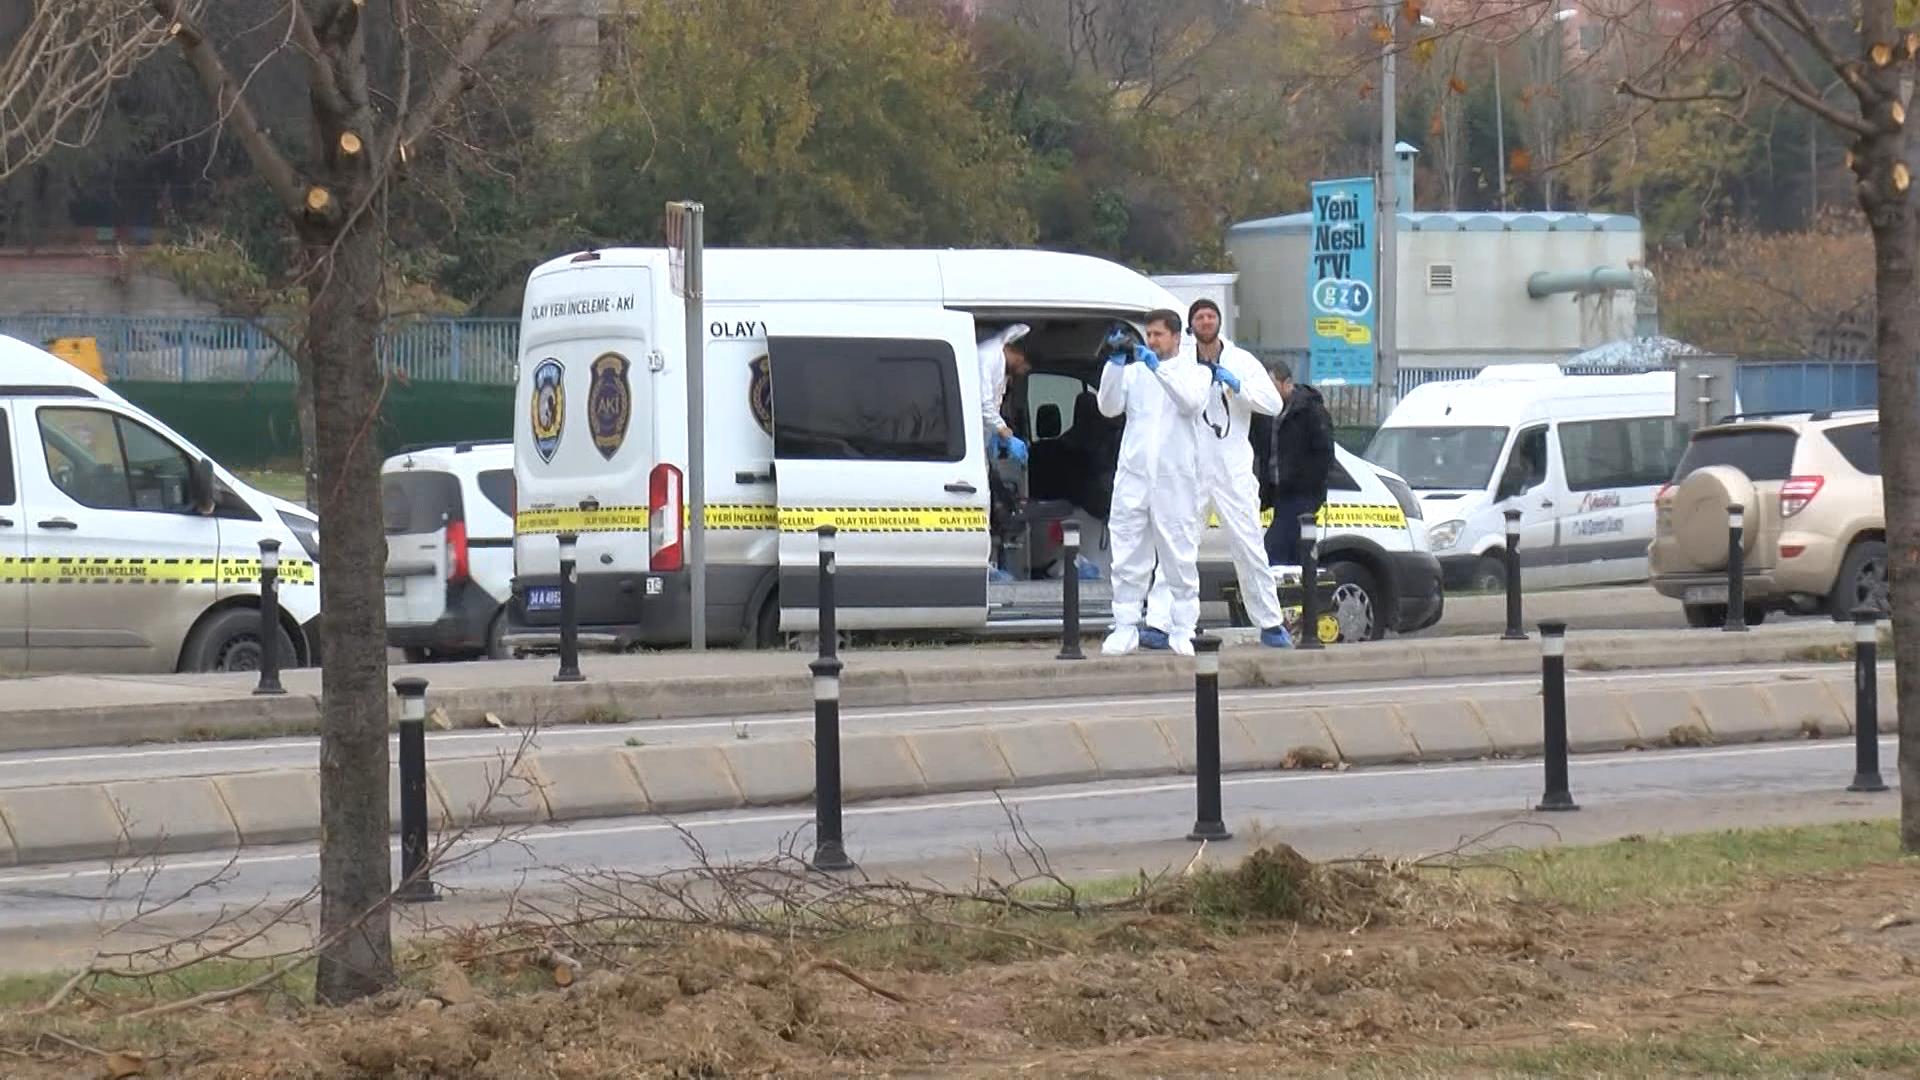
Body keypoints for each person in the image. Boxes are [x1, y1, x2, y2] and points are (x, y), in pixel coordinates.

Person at [1140, 299, 1293, 649]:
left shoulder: (1241, 361)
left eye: (1211, 316)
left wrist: (1238, 386)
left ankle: (1270, 622)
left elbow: (1273, 404)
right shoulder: (1180, 363)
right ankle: (1161, 623)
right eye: (1199, 317)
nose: (1206, 321)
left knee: (1249, 543)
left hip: (1231, 464)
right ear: (1191, 326)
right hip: (1190, 465)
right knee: (1178, 544)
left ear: (1218, 321)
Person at [1096, 309, 1210, 656]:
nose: (1152, 341)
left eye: (1159, 334)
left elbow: (1190, 403)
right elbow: (1108, 407)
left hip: (1174, 479)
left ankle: (1183, 626)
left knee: (1178, 554)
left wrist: (1157, 369)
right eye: (1149, 334)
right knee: (1128, 551)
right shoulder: (1133, 373)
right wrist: (1114, 366)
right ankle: (1126, 624)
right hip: (1134, 475)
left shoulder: (1197, 372)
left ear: (1176, 337)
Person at [1253, 358, 1335, 567]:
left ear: (1286, 383)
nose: (1266, 392)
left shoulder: (1309, 411)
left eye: (1270, 386)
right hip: (1278, 495)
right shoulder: (1265, 413)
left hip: (1302, 494)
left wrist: (1305, 483)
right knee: (1292, 556)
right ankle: (1299, 596)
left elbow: (1324, 453)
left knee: (1272, 552)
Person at [977, 323, 1032, 465]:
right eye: (1023, 364)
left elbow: (994, 404)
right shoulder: (988, 357)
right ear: (1015, 351)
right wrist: (1003, 430)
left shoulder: (1001, 365)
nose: (1022, 370)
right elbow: (983, 403)